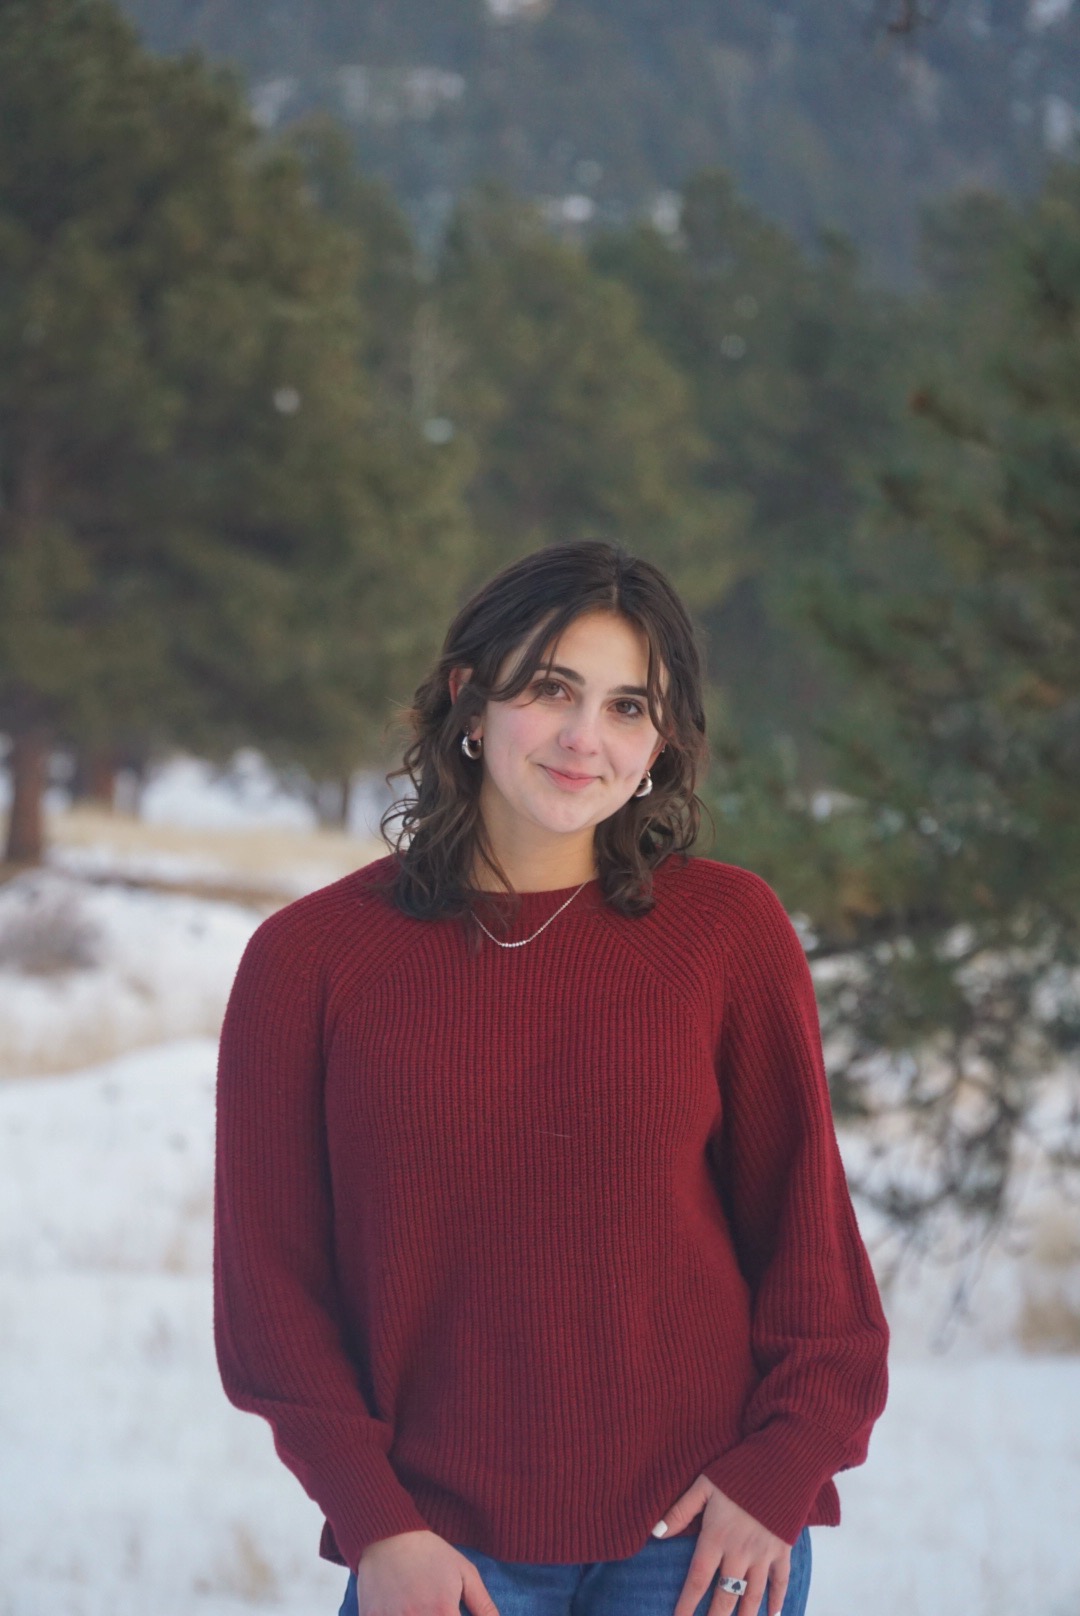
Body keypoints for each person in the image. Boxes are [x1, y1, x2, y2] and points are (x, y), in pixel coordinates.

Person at [213, 541, 889, 1616]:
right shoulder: (312, 960)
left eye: (630, 706)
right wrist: (379, 1523)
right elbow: (273, 1293)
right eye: (551, 690)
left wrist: (781, 1472)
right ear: (468, 700)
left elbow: (811, 1254)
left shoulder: (726, 932)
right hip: (442, 1552)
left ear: (662, 741)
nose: (587, 738)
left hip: (699, 1546)